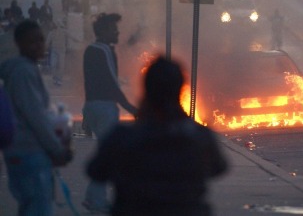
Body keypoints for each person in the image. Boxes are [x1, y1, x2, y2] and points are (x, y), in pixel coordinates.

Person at [87, 56, 228, 216]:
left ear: (146, 89)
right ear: (180, 89)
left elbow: (96, 171)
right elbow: (219, 168)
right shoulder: (199, 136)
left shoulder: (122, 137)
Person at [0, 20, 73, 216]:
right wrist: (56, 148)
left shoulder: (24, 69)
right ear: (20, 44)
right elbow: (35, 117)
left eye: (41, 40)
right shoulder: (23, 72)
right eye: (32, 41)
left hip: (22, 152)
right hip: (28, 152)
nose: (39, 45)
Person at [82, 12, 137, 213]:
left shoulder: (91, 50)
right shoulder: (104, 50)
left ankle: (92, 196)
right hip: (104, 108)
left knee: (105, 153)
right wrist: (131, 109)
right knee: (110, 156)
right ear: (104, 31)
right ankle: (96, 200)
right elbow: (112, 84)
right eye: (114, 29)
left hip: (92, 107)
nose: (118, 32)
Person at [46, 19, 67, 86]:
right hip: (54, 50)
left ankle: (59, 79)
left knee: (61, 65)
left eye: (53, 24)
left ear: (57, 25)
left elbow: (71, 36)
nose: (52, 25)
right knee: (53, 65)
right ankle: (55, 78)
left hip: (62, 51)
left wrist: (78, 40)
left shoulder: (64, 31)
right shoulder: (51, 33)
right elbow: (47, 42)